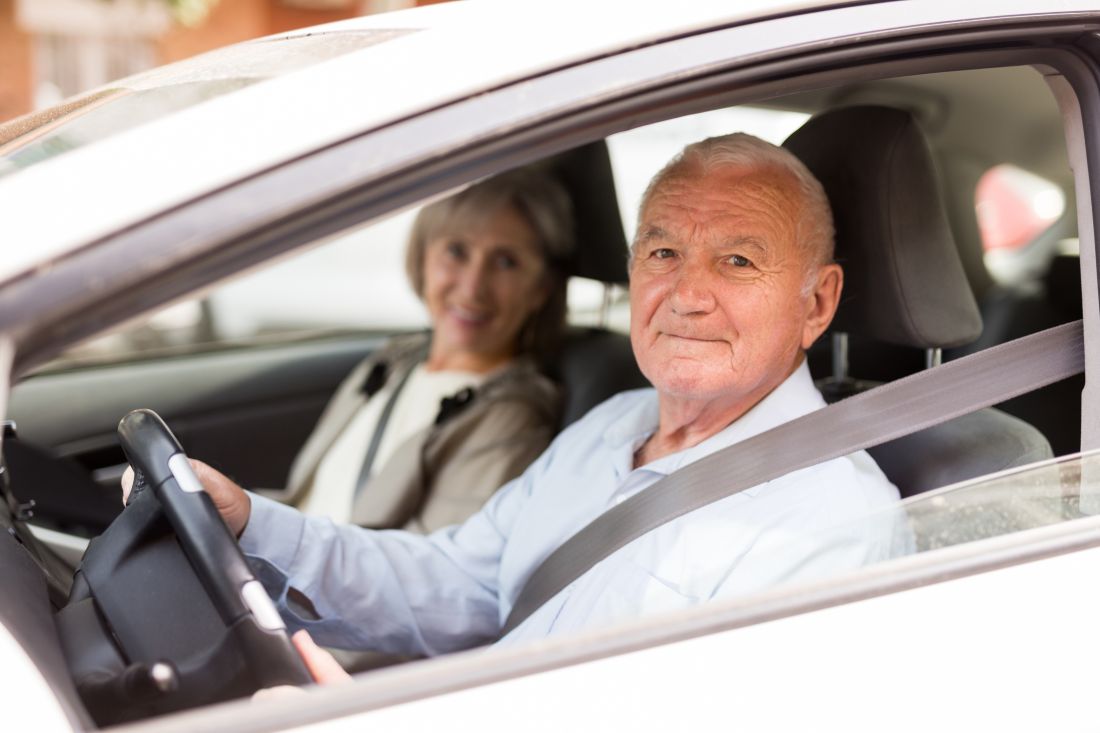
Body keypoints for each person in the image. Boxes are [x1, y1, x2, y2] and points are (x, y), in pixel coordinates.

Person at [131, 132, 901, 672]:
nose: (688, 295)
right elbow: (456, 583)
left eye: (737, 260)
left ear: (817, 303)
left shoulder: (834, 521)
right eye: (664, 251)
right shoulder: (610, 426)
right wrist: (253, 527)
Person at [274, 169, 575, 532]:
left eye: (506, 262)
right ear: (422, 258)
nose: (472, 288)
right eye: (456, 251)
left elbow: (425, 574)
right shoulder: (392, 361)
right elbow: (306, 501)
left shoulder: (511, 417)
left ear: (540, 289)